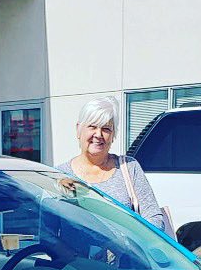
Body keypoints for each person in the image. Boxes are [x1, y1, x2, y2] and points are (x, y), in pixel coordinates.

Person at [55, 96, 166, 230]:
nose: (98, 134)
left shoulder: (129, 167)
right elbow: (48, 229)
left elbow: (154, 218)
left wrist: (130, 246)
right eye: (92, 126)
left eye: (106, 129)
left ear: (113, 135)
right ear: (79, 129)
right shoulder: (59, 175)